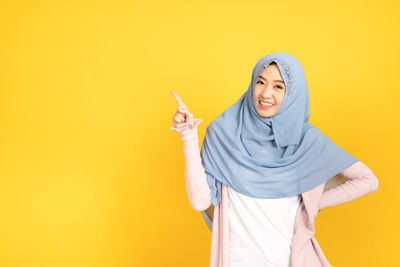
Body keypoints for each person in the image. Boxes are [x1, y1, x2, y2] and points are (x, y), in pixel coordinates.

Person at [170, 52, 379, 267]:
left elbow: (368, 180)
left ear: (293, 94)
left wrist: (312, 205)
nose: (266, 93)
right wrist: (188, 136)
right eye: (260, 82)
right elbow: (200, 202)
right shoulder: (224, 134)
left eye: (278, 86)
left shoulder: (306, 141)